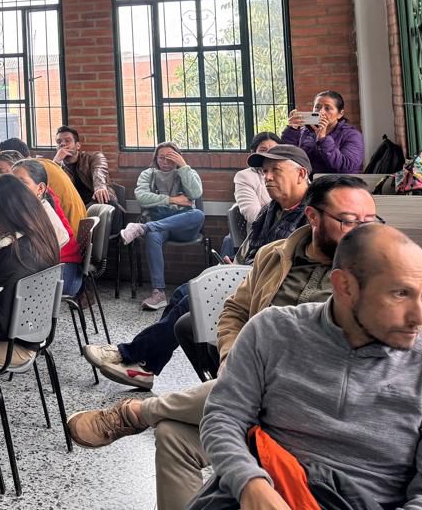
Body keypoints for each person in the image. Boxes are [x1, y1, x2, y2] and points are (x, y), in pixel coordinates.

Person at [68, 176, 377, 509]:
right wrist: (232, 356)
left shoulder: (375, 274)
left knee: (248, 381)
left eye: (369, 221)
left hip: (315, 408)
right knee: (173, 434)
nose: (361, 231)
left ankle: (135, 412)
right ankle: (158, 399)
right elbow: (234, 310)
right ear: (313, 217)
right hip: (255, 387)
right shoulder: (274, 255)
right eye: (348, 221)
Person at [189, 223, 422, 509]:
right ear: (345, 286)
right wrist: (250, 484)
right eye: (400, 294)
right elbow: (224, 416)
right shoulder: (272, 331)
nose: (419, 318)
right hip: (269, 486)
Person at [84, 144, 314, 390]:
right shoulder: (271, 209)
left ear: (301, 174)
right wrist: (235, 264)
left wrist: (244, 271)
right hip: (247, 275)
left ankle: (132, 355)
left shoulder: (313, 214)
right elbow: (252, 251)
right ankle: (146, 367)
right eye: (265, 171)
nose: (267, 177)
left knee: (191, 300)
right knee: (184, 292)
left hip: (272, 290)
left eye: (275, 170)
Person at [0, 175, 62, 367]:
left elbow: (1, 323)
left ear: (5, 212)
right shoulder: (39, 237)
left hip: (10, 345)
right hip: (28, 335)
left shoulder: (16, 256)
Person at [120, 142, 205, 310]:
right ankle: (158, 293)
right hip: (160, 224)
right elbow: (142, 197)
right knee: (153, 234)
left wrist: (183, 166)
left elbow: (195, 193)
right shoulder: (148, 174)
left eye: (170, 157)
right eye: (161, 158)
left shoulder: (188, 172)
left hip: (184, 225)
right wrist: (172, 199)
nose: (165, 161)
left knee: (198, 215)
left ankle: (144, 228)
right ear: (155, 158)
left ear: (178, 157)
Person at [12, 159, 83, 297]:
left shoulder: (43, 209)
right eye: (12, 183)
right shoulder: (27, 204)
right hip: (51, 268)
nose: (14, 188)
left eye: (22, 183)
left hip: (64, 270)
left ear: (40, 188)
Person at [280, 89, 365, 175]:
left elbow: (346, 168)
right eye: (317, 107)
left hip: (338, 182)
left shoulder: (352, 135)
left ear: (340, 114)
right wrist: (292, 130)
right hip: (307, 181)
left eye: (327, 108)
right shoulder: (305, 131)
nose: (321, 112)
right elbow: (286, 157)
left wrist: (323, 139)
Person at [53, 126, 114, 205]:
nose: (62, 144)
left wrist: (100, 187)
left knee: (105, 200)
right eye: (59, 142)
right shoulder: (56, 166)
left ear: (78, 146)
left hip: (95, 200)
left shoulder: (93, 157)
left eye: (67, 141)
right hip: (73, 206)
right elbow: (49, 185)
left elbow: (99, 172)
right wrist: (56, 161)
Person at [232, 132, 278, 225]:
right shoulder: (244, 177)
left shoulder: (291, 171)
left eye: (274, 150)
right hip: (264, 230)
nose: (268, 154)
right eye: (263, 150)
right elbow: (254, 216)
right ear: (254, 152)